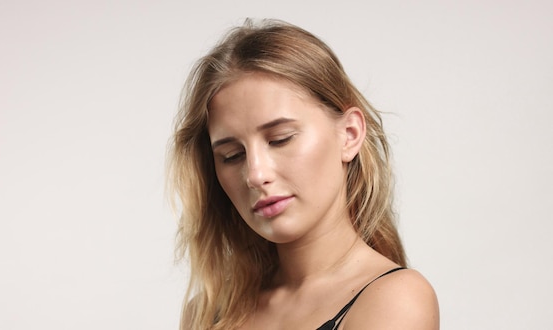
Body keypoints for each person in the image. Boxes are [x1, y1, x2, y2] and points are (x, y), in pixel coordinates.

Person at [168, 19, 439, 330]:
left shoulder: (393, 299)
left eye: (281, 138)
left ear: (349, 134)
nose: (255, 174)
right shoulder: (206, 312)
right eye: (232, 156)